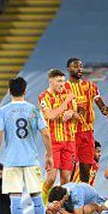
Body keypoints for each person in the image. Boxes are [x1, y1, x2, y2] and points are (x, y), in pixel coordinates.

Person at [0, 76, 53, 214]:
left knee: (15, 200)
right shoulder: (33, 110)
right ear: (25, 91)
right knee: (37, 198)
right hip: (31, 160)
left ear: (9, 91)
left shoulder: (3, 111)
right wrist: (49, 155)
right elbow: (46, 134)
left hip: (11, 161)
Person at [39, 69, 79, 203]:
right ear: (51, 81)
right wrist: (66, 103)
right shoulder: (44, 97)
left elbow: (77, 116)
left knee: (66, 179)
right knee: (51, 178)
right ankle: (42, 204)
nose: (62, 84)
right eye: (59, 81)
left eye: (63, 80)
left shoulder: (68, 94)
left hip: (69, 141)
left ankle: (61, 209)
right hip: (54, 141)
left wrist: (72, 113)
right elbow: (50, 115)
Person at [66, 58, 108, 183]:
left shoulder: (90, 86)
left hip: (87, 132)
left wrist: (104, 109)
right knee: (71, 166)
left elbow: (99, 102)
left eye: (80, 66)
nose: (79, 69)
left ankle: (84, 191)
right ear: (69, 69)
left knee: (86, 166)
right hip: (71, 133)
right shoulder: (64, 88)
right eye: (75, 66)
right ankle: (69, 193)